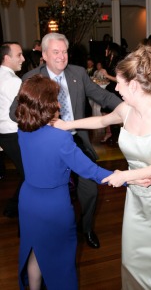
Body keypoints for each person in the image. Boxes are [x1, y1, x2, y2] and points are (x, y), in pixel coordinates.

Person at [53, 45, 151, 289]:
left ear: (134, 85)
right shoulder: (126, 110)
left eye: (120, 83)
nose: (116, 88)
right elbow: (100, 119)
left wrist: (125, 175)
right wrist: (66, 125)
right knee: (135, 262)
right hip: (137, 204)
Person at [10, 32, 122, 249]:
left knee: (90, 190)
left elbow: (103, 96)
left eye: (64, 51)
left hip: (75, 140)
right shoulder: (32, 78)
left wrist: (129, 108)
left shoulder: (78, 73)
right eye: (55, 52)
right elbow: (15, 111)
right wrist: (42, 123)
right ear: (44, 55)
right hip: (48, 145)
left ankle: (86, 228)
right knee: (52, 194)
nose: (62, 56)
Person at [15, 74, 113, 290]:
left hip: (28, 201)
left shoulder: (23, 130)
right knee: (62, 261)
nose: (59, 103)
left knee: (34, 251)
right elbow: (90, 170)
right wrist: (124, 178)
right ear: (45, 103)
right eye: (55, 99)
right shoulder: (60, 138)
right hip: (54, 206)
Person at [0, 42, 25, 217]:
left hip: (5, 134)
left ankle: (14, 207)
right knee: (29, 174)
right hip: (14, 133)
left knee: (26, 173)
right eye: (19, 55)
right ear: (7, 58)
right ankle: (14, 208)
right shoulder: (13, 80)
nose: (23, 59)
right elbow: (22, 111)